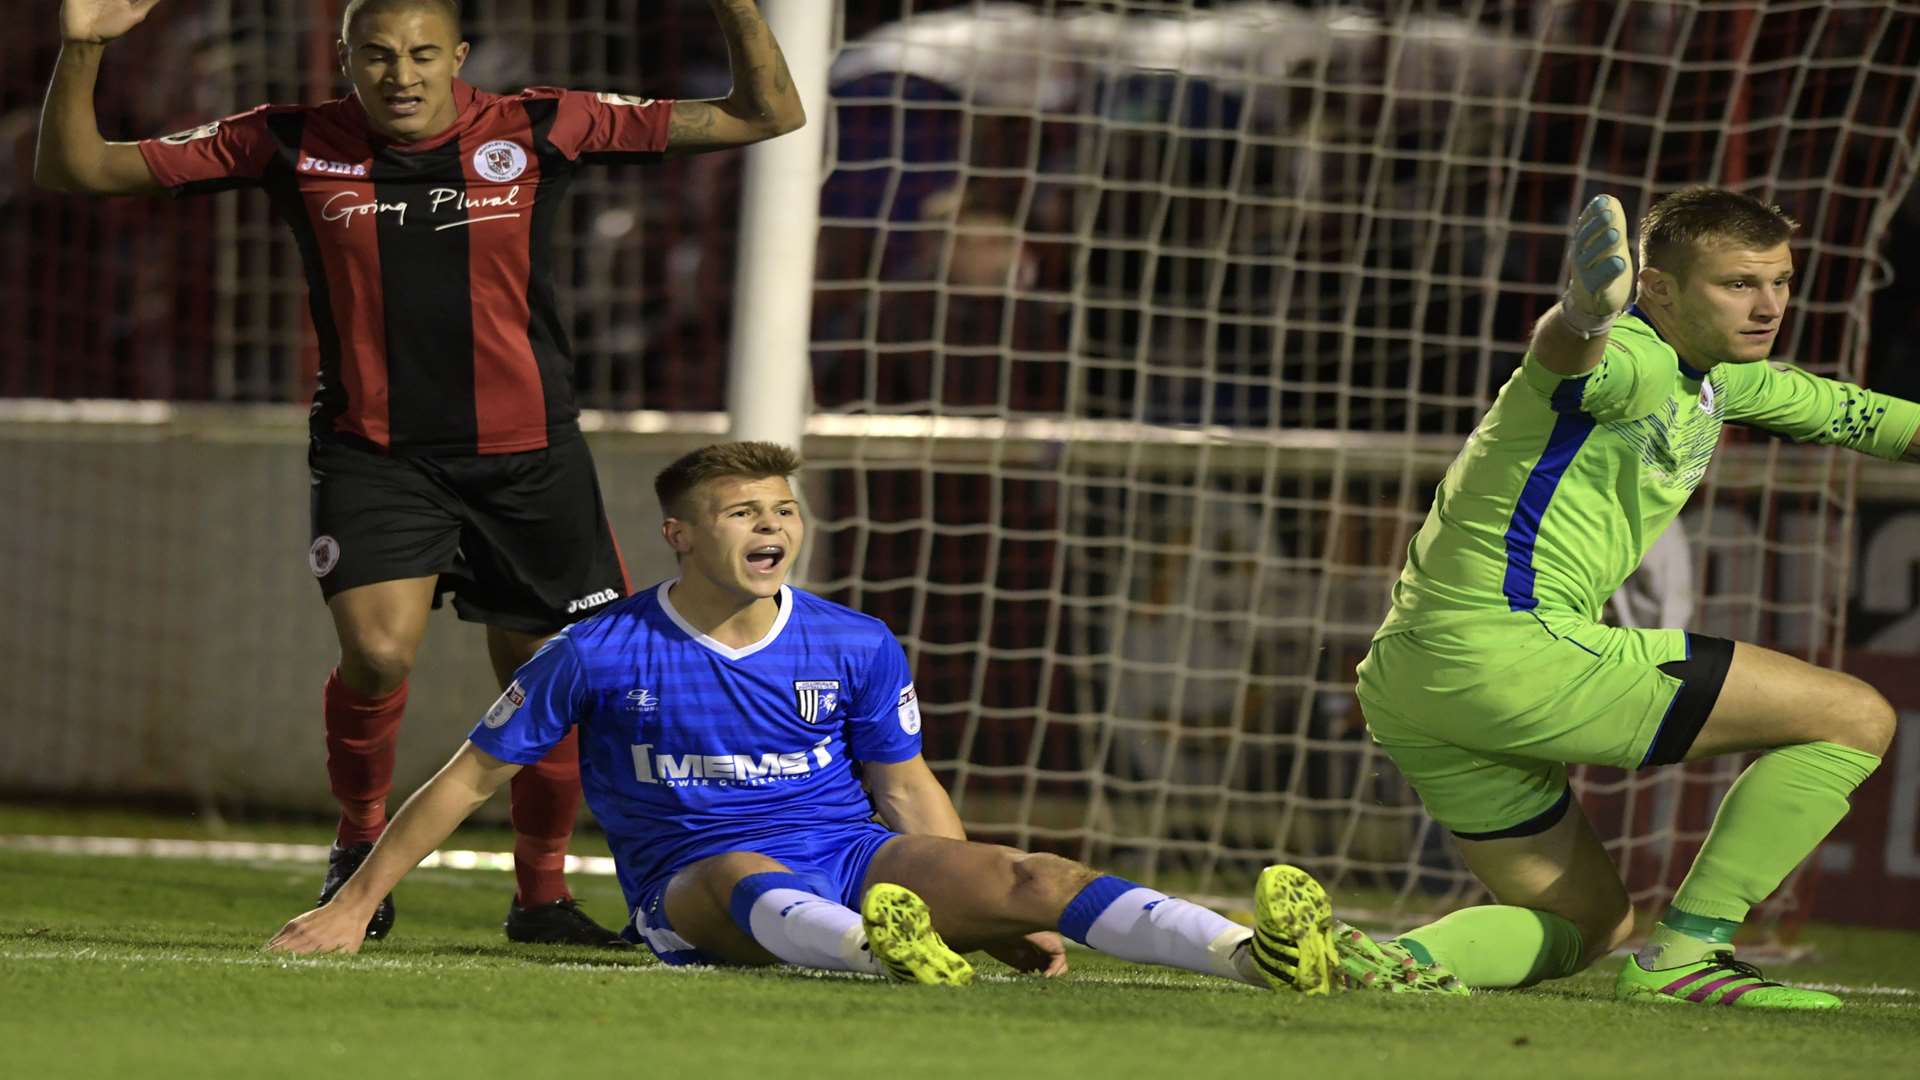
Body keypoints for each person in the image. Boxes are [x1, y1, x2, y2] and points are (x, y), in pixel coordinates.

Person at [35, 0, 805, 945]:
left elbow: (764, 114)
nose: (401, 73)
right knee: (379, 653)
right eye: (378, 55)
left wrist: (735, 9)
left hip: (530, 457)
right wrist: (82, 50)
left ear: (459, 57)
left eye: (422, 54)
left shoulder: (539, 124)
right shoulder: (288, 141)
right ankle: (359, 848)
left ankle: (541, 898)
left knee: (551, 674)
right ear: (345, 58)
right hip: (377, 451)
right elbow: (75, 167)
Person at [268, 441, 1341, 998]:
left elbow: (906, 788)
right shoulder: (596, 647)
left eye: (784, 509)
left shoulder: (855, 641)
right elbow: (466, 777)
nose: (772, 526)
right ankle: (890, 956)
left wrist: (990, 905)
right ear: (681, 537)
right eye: (743, 512)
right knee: (746, 877)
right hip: (694, 884)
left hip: (855, 854)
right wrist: (357, 905)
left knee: (1034, 875)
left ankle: (1254, 954)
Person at [1347, 187, 1913, 1007]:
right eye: (1738, 284)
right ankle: (1690, 953)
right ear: (1658, 290)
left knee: (1588, 922)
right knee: (1854, 716)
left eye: (1781, 282)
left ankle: (1375, 958)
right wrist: (1581, 314)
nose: (1769, 307)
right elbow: (1569, 359)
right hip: (1510, 648)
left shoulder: (1723, 380)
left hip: (1416, 677)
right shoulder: (1634, 358)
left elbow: (1868, 419)